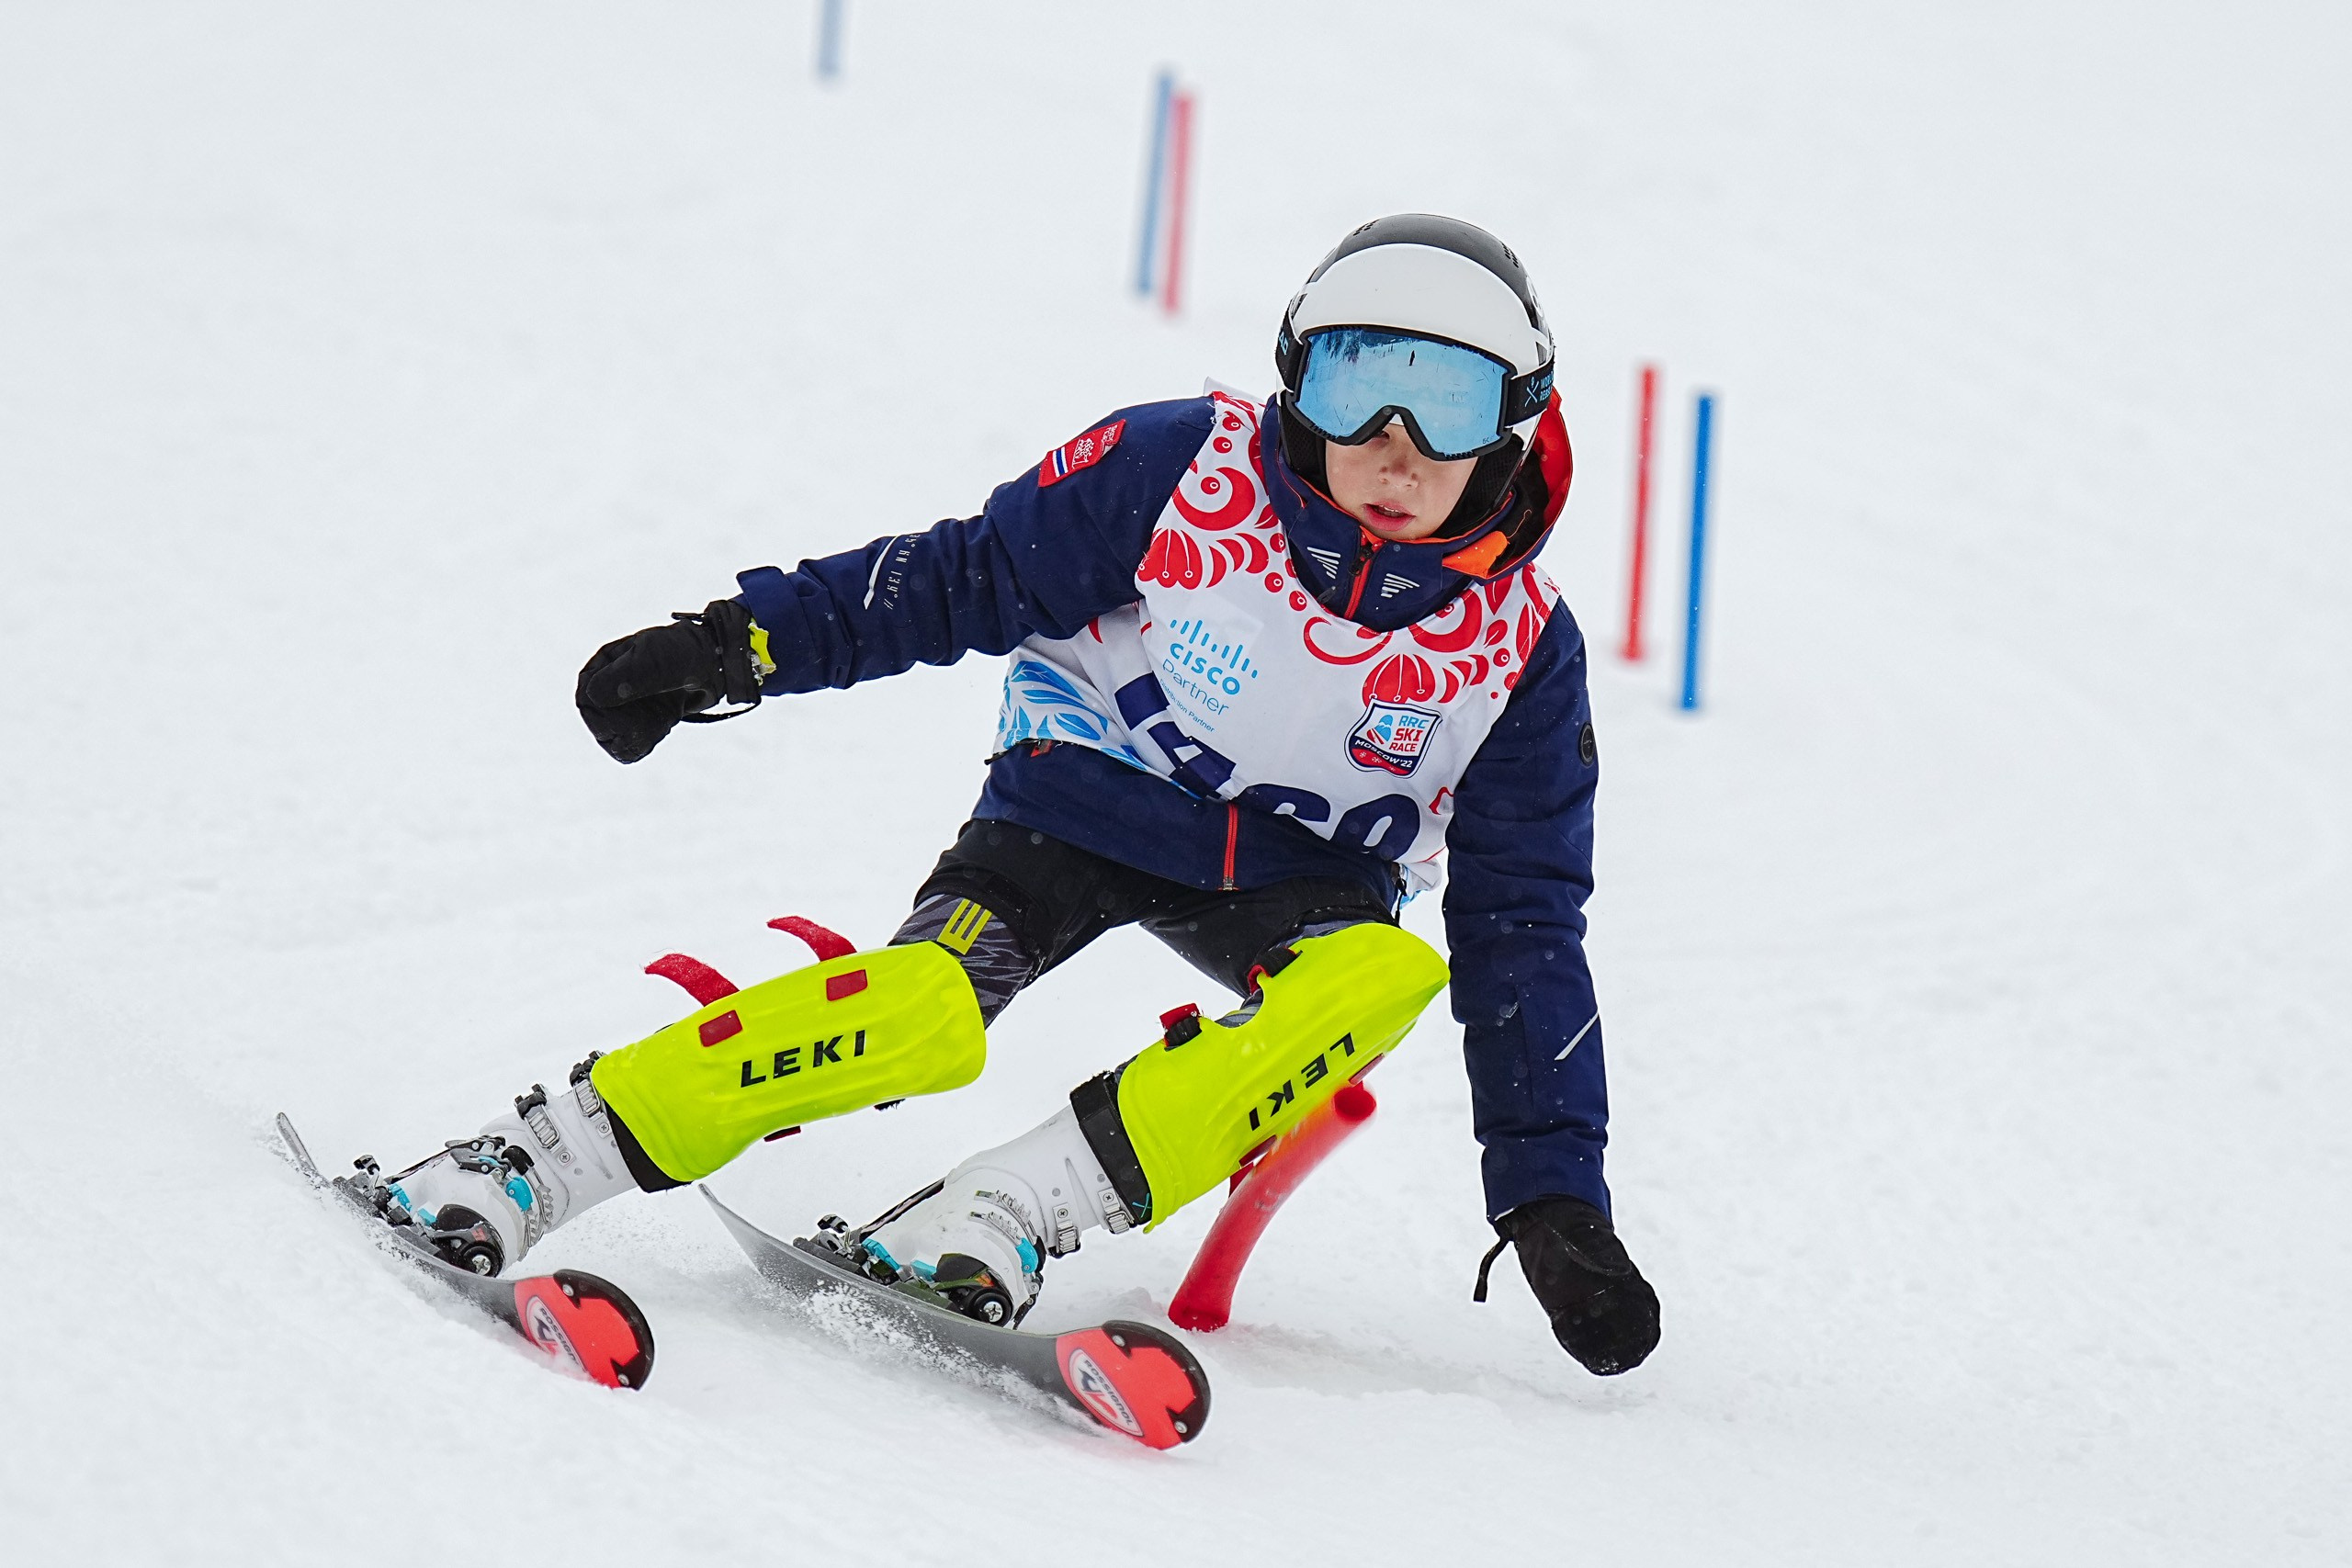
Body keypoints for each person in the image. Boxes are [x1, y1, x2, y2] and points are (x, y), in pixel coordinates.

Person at [358, 214, 1660, 1376]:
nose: (1397, 445)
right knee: (928, 1006)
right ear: (1295, 380)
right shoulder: (1182, 473)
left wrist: (1554, 1201)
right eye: (1358, 382)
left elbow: (1523, 929)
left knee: (1377, 979)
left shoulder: (1517, 655)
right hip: (1081, 800)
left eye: (1449, 400)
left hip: (1298, 878)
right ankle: (537, 1160)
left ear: (1518, 422)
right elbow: (960, 576)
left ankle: (1008, 1210)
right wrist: (730, 647)